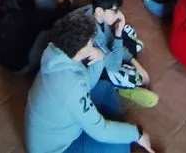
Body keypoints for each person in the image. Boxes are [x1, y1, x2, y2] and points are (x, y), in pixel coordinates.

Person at [24, 12, 155, 153]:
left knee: (105, 86)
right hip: (58, 148)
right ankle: (114, 130)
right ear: (79, 51)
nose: (93, 45)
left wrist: (99, 59)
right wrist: (137, 133)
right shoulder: (71, 86)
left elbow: (87, 83)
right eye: (90, 43)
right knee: (121, 148)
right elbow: (100, 131)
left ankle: (112, 127)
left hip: (59, 122)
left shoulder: (56, 52)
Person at [89, 0, 156, 106]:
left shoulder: (100, 19)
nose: (118, 14)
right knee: (127, 73)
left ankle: (133, 47)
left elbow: (113, 45)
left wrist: (137, 65)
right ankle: (125, 89)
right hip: (101, 69)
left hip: (109, 54)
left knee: (124, 31)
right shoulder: (95, 35)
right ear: (99, 11)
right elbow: (114, 65)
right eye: (114, 11)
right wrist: (118, 34)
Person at [0, 0, 70, 75]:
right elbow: (59, 15)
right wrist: (66, 2)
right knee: (48, 32)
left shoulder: (0, 8)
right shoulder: (32, 18)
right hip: (19, 67)